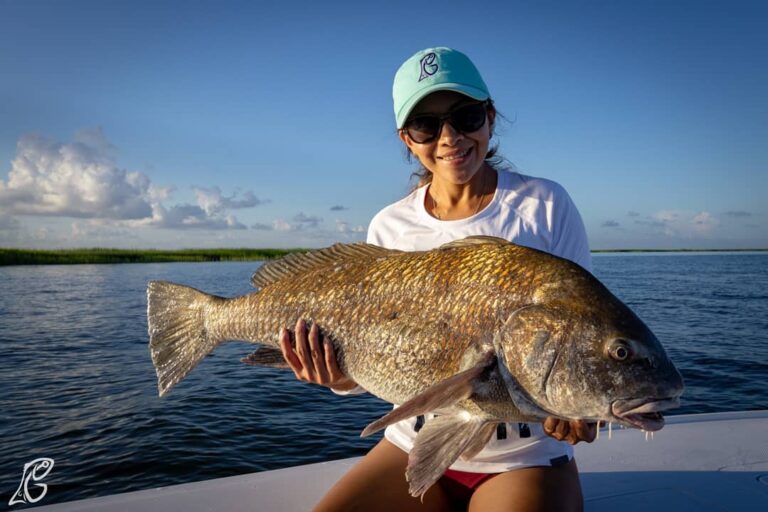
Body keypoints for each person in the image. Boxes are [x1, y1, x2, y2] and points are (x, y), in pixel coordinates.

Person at [278, 47, 597, 512]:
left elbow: (584, 330)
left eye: (466, 116)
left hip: (523, 457)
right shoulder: (389, 226)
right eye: (426, 126)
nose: (450, 137)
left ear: (490, 118)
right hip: (411, 442)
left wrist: (580, 409)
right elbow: (370, 360)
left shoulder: (544, 205)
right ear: (407, 139)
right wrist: (335, 376)